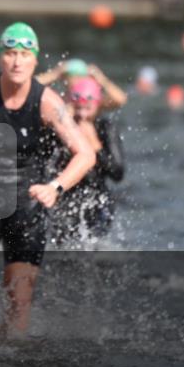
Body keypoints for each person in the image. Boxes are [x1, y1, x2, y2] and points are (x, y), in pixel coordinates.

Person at [0, 23, 94, 335]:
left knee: (19, 301)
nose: (17, 61)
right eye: (11, 54)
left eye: (24, 54)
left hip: (29, 202)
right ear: (1, 58)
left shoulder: (48, 103)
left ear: (35, 60)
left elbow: (85, 154)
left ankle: (10, 365)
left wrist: (56, 186)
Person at [50, 77, 126, 244]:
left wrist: (95, 145)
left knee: (94, 245)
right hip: (67, 198)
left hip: (97, 198)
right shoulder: (64, 127)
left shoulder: (106, 128)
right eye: (79, 108)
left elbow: (118, 173)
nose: (82, 114)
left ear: (98, 105)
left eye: (88, 108)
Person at [36, 58, 128, 110]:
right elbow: (27, 87)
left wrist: (102, 79)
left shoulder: (91, 101)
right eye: (71, 76)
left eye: (79, 76)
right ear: (64, 79)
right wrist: (54, 74)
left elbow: (120, 99)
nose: (76, 80)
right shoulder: (61, 100)